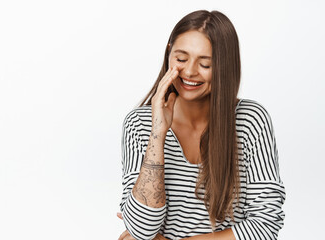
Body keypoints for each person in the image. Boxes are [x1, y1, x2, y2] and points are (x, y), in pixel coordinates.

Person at [117, 10, 286, 240]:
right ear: (169, 53)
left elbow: (265, 225)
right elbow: (141, 229)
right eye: (181, 59)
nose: (189, 72)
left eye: (205, 64)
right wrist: (157, 131)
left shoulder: (250, 121)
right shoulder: (139, 123)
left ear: (224, 66)